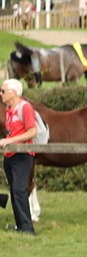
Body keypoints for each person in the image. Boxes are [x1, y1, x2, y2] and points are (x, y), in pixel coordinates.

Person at [1, 78, 38, 234]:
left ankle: (27, 228)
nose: (0, 94)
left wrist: (9, 140)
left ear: (13, 93)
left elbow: (32, 131)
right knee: (14, 190)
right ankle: (20, 225)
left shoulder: (25, 108)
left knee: (19, 189)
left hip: (22, 155)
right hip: (10, 155)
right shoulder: (9, 110)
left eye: (3, 91)